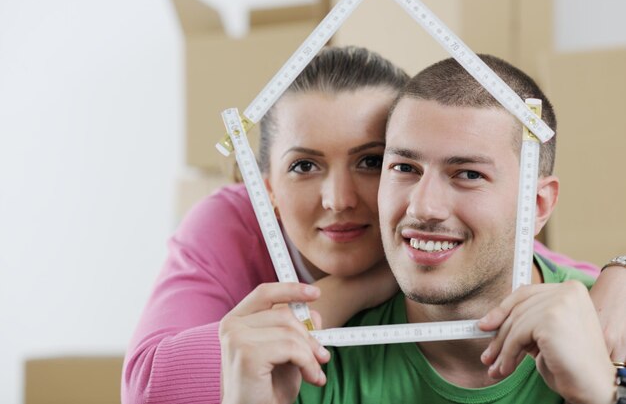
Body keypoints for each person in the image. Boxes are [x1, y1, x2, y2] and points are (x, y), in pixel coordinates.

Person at [122, 48, 625, 404]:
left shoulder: (563, 304)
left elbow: (512, 253)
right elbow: (151, 389)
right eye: (303, 165)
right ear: (264, 187)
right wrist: (337, 299)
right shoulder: (234, 226)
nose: (339, 200)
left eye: (370, 161)